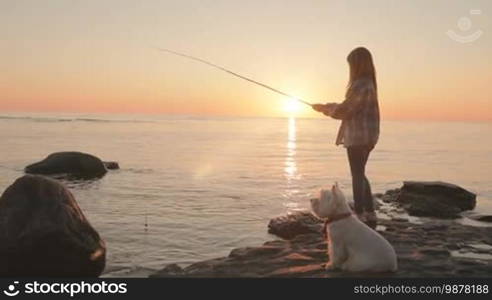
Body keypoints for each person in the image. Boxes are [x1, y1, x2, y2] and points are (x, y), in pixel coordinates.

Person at [312, 47, 380, 229]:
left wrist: (324, 109)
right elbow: (349, 107)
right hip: (369, 136)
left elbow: (346, 110)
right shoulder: (369, 84)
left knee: (357, 175)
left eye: (351, 65)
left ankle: (359, 216)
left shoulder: (360, 85)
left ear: (356, 65)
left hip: (359, 137)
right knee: (361, 173)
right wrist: (325, 106)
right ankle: (370, 213)